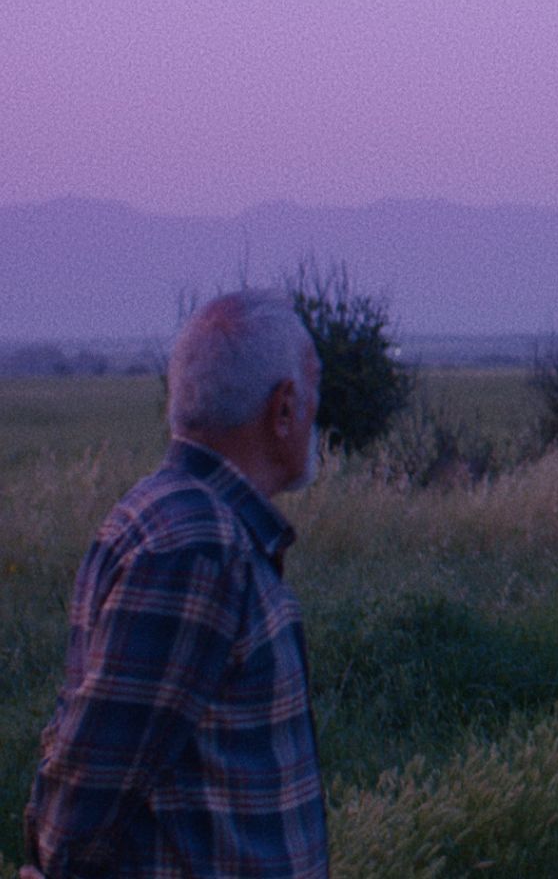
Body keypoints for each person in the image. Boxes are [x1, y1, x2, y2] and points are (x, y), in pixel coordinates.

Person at [21, 290, 330, 878]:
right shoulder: (199, 548)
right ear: (284, 408)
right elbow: (90, 783)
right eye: (314, 391)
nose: (319, 414)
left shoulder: (164, 515)